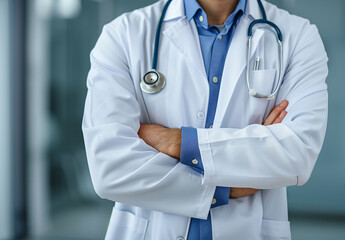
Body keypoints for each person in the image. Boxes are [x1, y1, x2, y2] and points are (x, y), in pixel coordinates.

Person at [82, 0, 328, 239]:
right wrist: (223, 189)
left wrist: (177, 142)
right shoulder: (122, 35)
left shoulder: (298, 36)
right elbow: (110, 168)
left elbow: (298, 152)